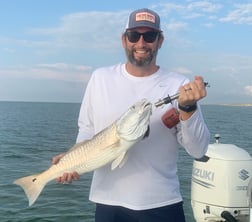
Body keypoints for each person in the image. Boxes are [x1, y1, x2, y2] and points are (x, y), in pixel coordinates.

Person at [52, 8, 210, 222]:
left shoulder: (179, 85)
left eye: (150, 36)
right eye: (134, 36)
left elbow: (198, 149)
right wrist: (72, 159)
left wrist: (188, 109)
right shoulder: (100, 78)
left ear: (160, 41)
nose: (141, 43)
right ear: (124, 40)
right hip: (108, 202)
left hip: (162, 203)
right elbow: (87, 129)